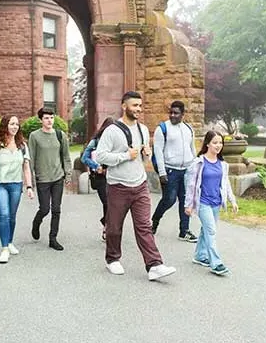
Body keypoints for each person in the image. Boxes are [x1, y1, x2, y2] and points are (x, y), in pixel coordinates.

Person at [96, 91, 176, 281]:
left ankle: (154, 265)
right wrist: (125, 155)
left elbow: (139, 155)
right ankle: (112, 259)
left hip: (140, 185)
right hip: (118, 186)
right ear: (124, 106)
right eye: (134, 105)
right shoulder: (112, 130)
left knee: (144, 227)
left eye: (140, 106)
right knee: (114, 227)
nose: (138, 109)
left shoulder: (142, 129)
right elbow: (100, 156)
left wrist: (145, 153)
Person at [0, 115, 35, 264]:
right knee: (4, 214)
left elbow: (26, 168)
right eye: (12, 124)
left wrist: (29, 186)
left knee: (12, 215)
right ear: (5, 126)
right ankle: (4, 249)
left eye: (17, 124)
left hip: (16, 185)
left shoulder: (22, 146)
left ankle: (9, 242)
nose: (15, 126)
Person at [184, 130, 238, 275]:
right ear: (207, 144)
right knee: (211, 230)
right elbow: (191, 185)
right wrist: (188, 204)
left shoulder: (222, 164)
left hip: (216, 202)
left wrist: (232, 200)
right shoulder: (199, 162)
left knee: (206, 229)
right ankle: (216, 263)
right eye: (215, 142)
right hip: (203, 202)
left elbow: (225, 183)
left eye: (220, 142)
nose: (218, 145)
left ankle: (200, 256)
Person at [151, 100, 197, 242]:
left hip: (186, 170)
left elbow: (192, 149)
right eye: (170, 112)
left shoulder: (188, 129)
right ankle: (154, 221)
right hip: (170, 171)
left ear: (183, 114)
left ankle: (184, 231)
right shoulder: (163, 128)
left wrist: (194, 167)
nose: (172, 115)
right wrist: (162, 172)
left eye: (176, 113)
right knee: (169, 199)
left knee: (185, 201)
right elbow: (158, 152)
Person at [28, 107, 72, 251]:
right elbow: (31, 159)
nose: (49, 120)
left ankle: (53, 239)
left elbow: (66, 156)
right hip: (43, 179)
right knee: (45, 208)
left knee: (56, 209)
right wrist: (31, 181)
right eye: (46, 118)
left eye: (51, 117)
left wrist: (68, 174)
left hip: (58, 177)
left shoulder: (60, 135)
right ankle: (37, 221)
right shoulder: (34, 136)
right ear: (41, 120)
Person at [81, 117, 114, 241]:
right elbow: (85, 158)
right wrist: (96, 166)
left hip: (114, 176)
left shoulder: (116, 142)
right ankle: (106, 227)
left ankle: (107, 224)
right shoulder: (95, 141)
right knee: (107, 202)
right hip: (100, 178)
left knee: (112, 204)